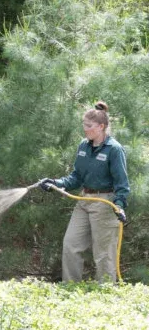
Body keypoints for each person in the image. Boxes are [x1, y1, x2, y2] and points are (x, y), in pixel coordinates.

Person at [40, 101, 130, 283]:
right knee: (71, 244)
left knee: (103, 253)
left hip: (105, 202)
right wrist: (56, 183)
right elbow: (76, 177)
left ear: (101, 126)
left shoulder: (114, 149)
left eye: (88, 126)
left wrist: (119, 206)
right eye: (84, 124)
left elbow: (122, 183)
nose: (85, 129)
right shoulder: (83, 146)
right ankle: (71, 288)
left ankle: (105, 294)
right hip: (84, 200)